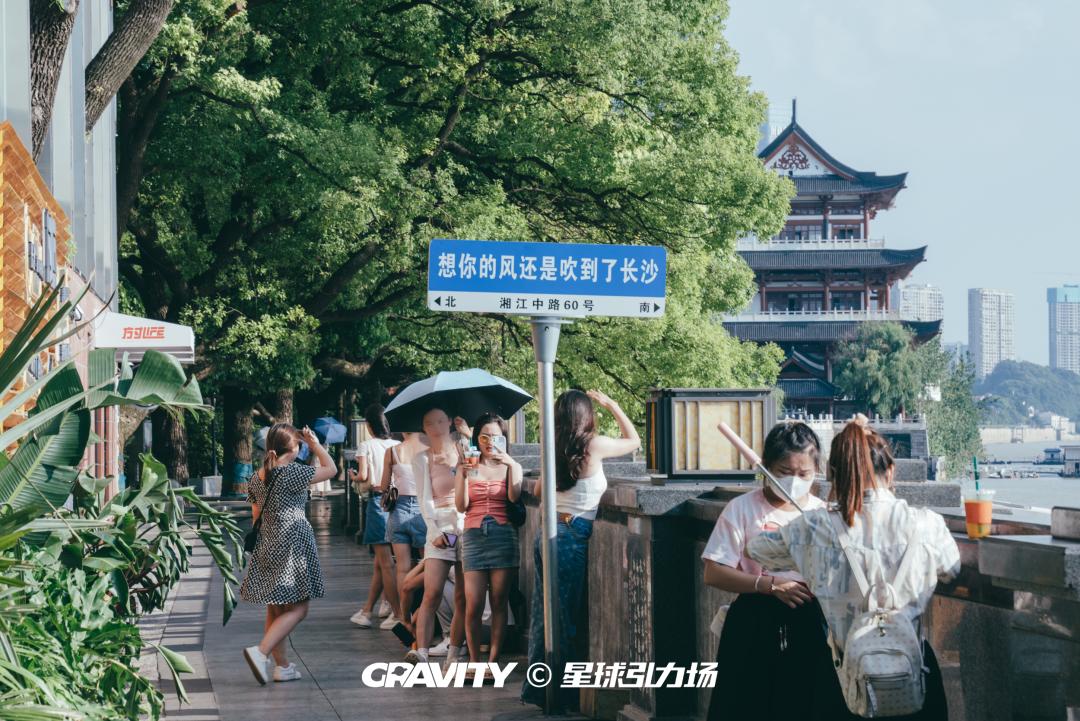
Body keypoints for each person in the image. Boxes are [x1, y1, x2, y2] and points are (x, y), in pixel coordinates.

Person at [746, 418, 961, 721]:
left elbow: (756, 550)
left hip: (842, 681)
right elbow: (952, 569)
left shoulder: (815, 527)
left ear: (832, 474)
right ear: (891, 470)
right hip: (913, 674)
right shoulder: (927, 524)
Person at [701, 421, 831, 720]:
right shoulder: (741, 509)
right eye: (785, 472)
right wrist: (767, 585)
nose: (795, 480)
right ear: (767, 466)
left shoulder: (822, 513)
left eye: (804, 474)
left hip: (808, 623)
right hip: (753, 623)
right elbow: (713, 572)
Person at [521, 389, 640, 711]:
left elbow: (535, 490)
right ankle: (560, 697)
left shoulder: (553, 445)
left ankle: (540, 690)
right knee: (564, 618)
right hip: (571, 534)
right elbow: (634, 442)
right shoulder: (594, 444)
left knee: (544, 616)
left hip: (547, 531)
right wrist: (613, 403)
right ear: (587, 415)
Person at [241, 423, 337, 685]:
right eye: (299, 444)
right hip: (292, 542)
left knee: (276, 606)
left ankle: (282, 666)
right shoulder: (293, 472)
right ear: (293, 448)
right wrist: (315, 444)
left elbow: (256, 516)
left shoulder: (258, 476)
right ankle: (260, 653)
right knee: (299, 608)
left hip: (267, 542)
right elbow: (332, 469)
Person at [455, 413, 522, 666]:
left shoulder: (510, 466)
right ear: (476, 438)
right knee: (473, 604)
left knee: (498, 602)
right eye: (484, 436)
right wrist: (462, 475)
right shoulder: (469, 464)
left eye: (496, 436)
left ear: (504, 438)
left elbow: (515, 497)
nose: (489, 441)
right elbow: (461, 506)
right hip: (473, 535)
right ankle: (474, 661)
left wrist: (511, 464)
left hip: (503, 535)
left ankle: (493, 662)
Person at [409, 406, 467, 666]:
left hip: (465, 525)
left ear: (450, 423)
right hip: (440, 527)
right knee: (431, 592)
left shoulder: (463, 451)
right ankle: (421, 651)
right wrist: (433, 530)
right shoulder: (422, 458)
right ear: (424, 428)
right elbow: (424, 498)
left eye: (441, 421)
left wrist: (469, 439)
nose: (436, 427)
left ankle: (454, 650)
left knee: (463, 595)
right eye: (429, 423)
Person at [348, 404, 400, 629]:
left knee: (385, 562)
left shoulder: (366, 445)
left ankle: (397, 612)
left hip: (377, 501)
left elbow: (365, 475)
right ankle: (368, 609)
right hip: (397, 502)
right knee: (382, 562)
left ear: (369, 426)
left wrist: (353, 476)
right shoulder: (398, 445)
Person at [381, 431, 429, 633]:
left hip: (398, 511)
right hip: (423, 512)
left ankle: (404, 615)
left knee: (402, 567)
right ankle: (426, 612)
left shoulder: (392, 452)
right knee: (428, 565)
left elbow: (384, 486)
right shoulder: (429, 449)